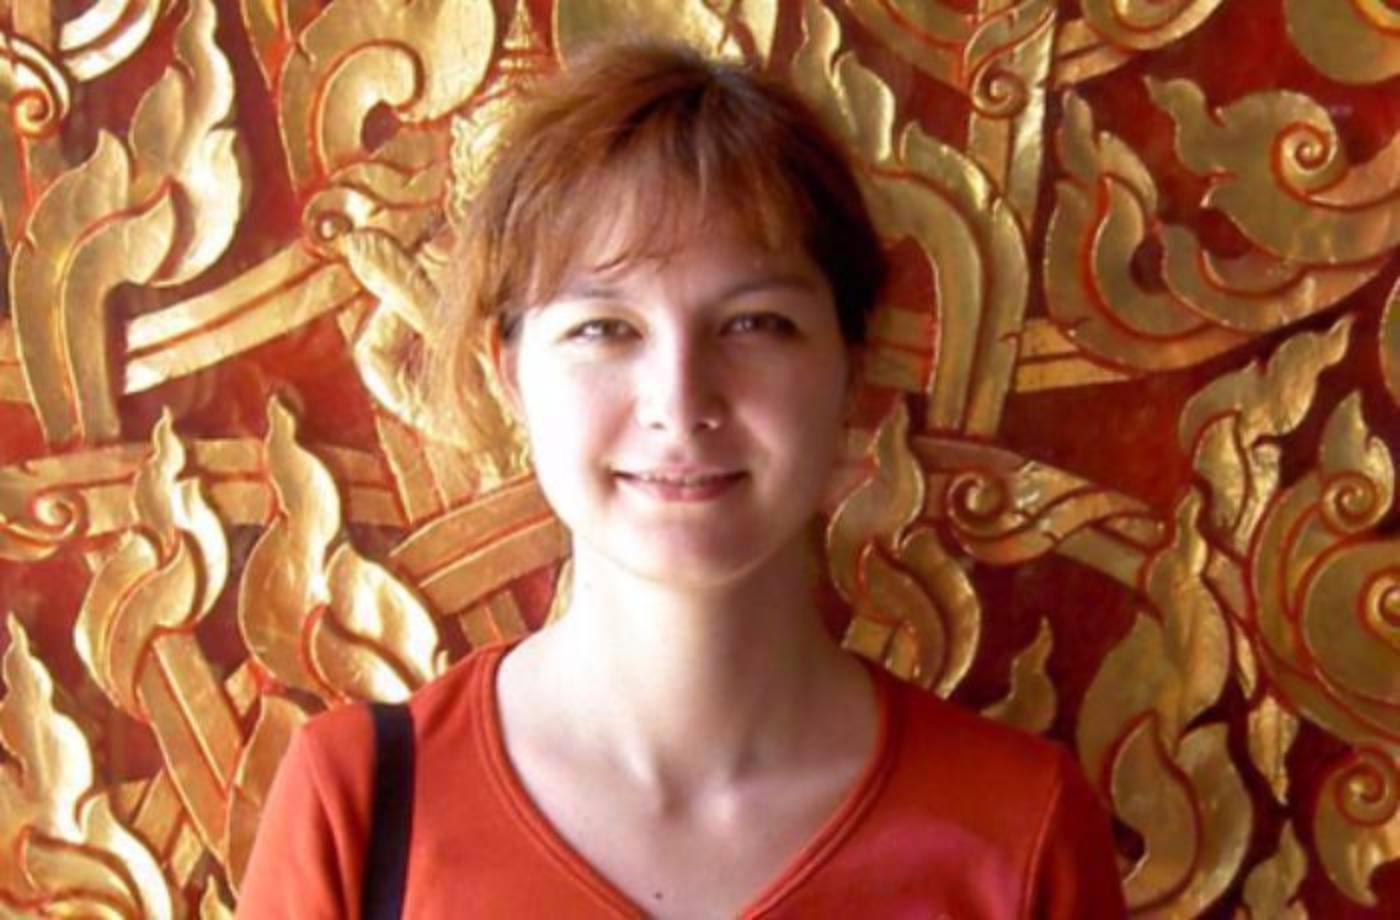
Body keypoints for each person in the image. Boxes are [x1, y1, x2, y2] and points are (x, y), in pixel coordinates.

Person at [236, 40, 1126, 919]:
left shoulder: (1020, 832)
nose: (681, 401)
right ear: (508, 375)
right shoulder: (360, 809)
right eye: (603, 329)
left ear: (851, 367)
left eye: (755, 323)